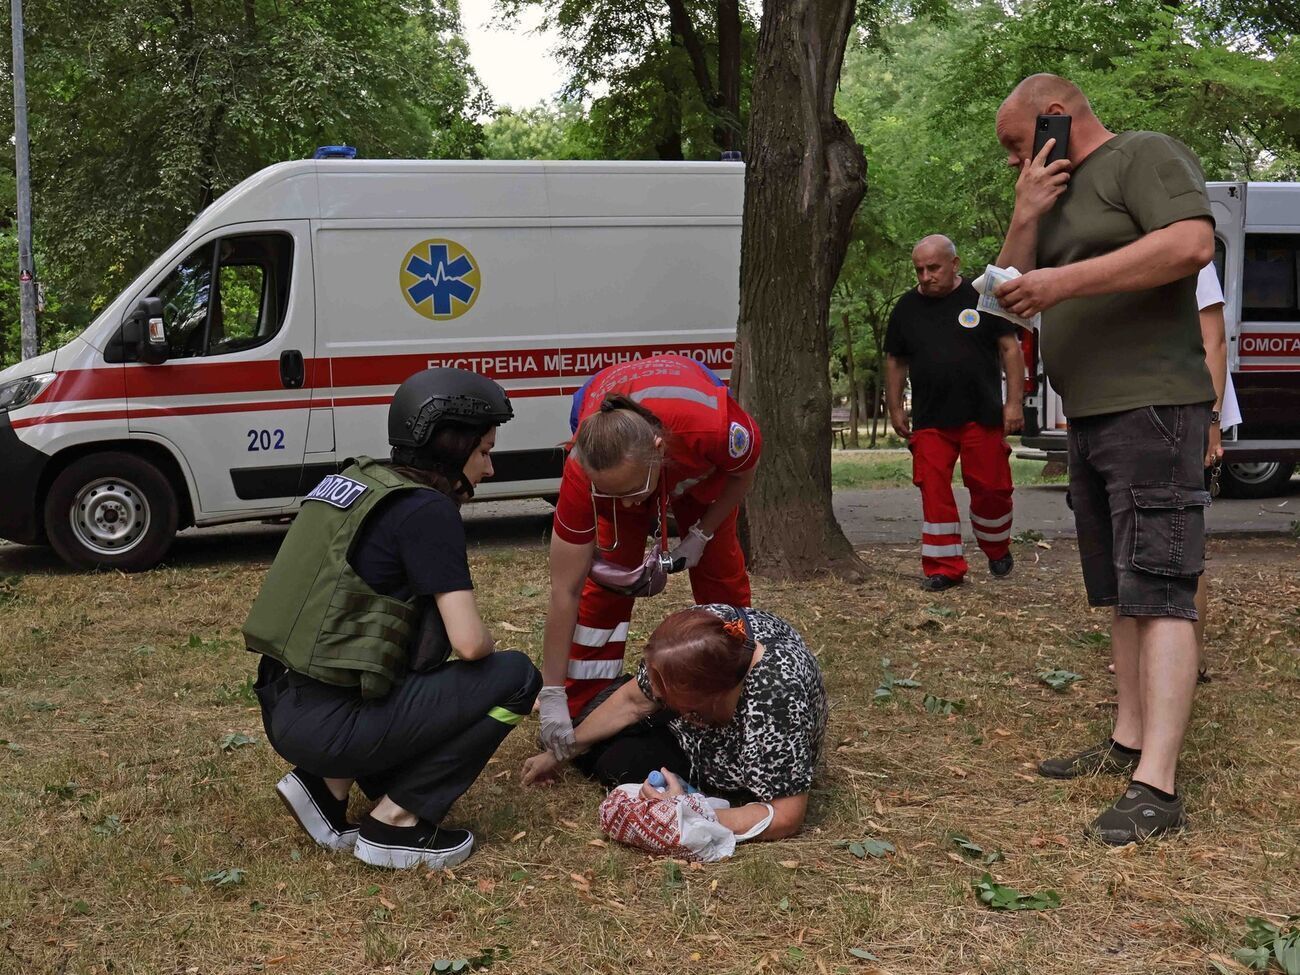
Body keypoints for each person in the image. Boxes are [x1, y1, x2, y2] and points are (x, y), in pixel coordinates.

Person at [993, 74, 1216, 844]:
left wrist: (1062, 280)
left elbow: (1190, 244)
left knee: (1160, 586)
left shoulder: (1141, 157)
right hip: (1087, 416)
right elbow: (1003, 296)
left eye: (1017, 145)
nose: (1014, 162)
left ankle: (1157, 784)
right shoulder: (1049, 196)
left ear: (1056, 115)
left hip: (1152, 404)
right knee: (1122, 589)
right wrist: (1026, 214)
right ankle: (1127, 738)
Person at [243, 368, 542, 870]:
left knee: (413, 640)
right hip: (332, 726)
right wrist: (488, 645)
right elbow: (469, 644)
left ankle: (325, 786)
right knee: (514, 677)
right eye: (484, 451)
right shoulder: (427, 511)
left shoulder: (356, 482)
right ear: (453, 447)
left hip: (284, 703)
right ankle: (396, 824)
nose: (489, 469)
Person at [536, 354, 762, 761]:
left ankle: (734, 683)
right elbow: (564, 591)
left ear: (658, 450)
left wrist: (702, 532)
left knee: (720, 577)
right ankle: (584, 697)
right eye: (612, 493)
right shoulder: (584, 469)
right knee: (606, 583)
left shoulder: (715, 428)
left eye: (632, 491)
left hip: (700, 473)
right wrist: (552, 692)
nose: (628, 503)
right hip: (633, 462)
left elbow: (742, 474)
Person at [522, 604, 828, 842]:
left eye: (669, 697)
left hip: (740, 750)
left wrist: (690, 814)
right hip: (694, 726)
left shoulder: (775, 694)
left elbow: (787, 814)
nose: (656, 695)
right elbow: (633, 700)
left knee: (619, 764)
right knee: (595, 719)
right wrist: (560, 751)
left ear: (711, 697)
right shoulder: (699, 634)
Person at [885, 234, 1025, 591]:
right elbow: (895, 360)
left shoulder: (982, 299)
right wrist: (895, 405)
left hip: (983, 415)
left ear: (954, 264)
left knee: (991, 488)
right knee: (933, 489)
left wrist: (1013, 403)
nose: (925, 276)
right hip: (931, 420)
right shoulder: (905, 309)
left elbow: (1010, 348)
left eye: (933, 268)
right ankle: (944, 567)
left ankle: (996, 547)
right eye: (919, 269)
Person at [1193, 260, 1243, 676]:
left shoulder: (1192, 254)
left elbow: (1215, 343)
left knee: (1185, 545)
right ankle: (1134, 652)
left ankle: (1192, 655)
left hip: (1186, 414)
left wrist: (1212, 422)